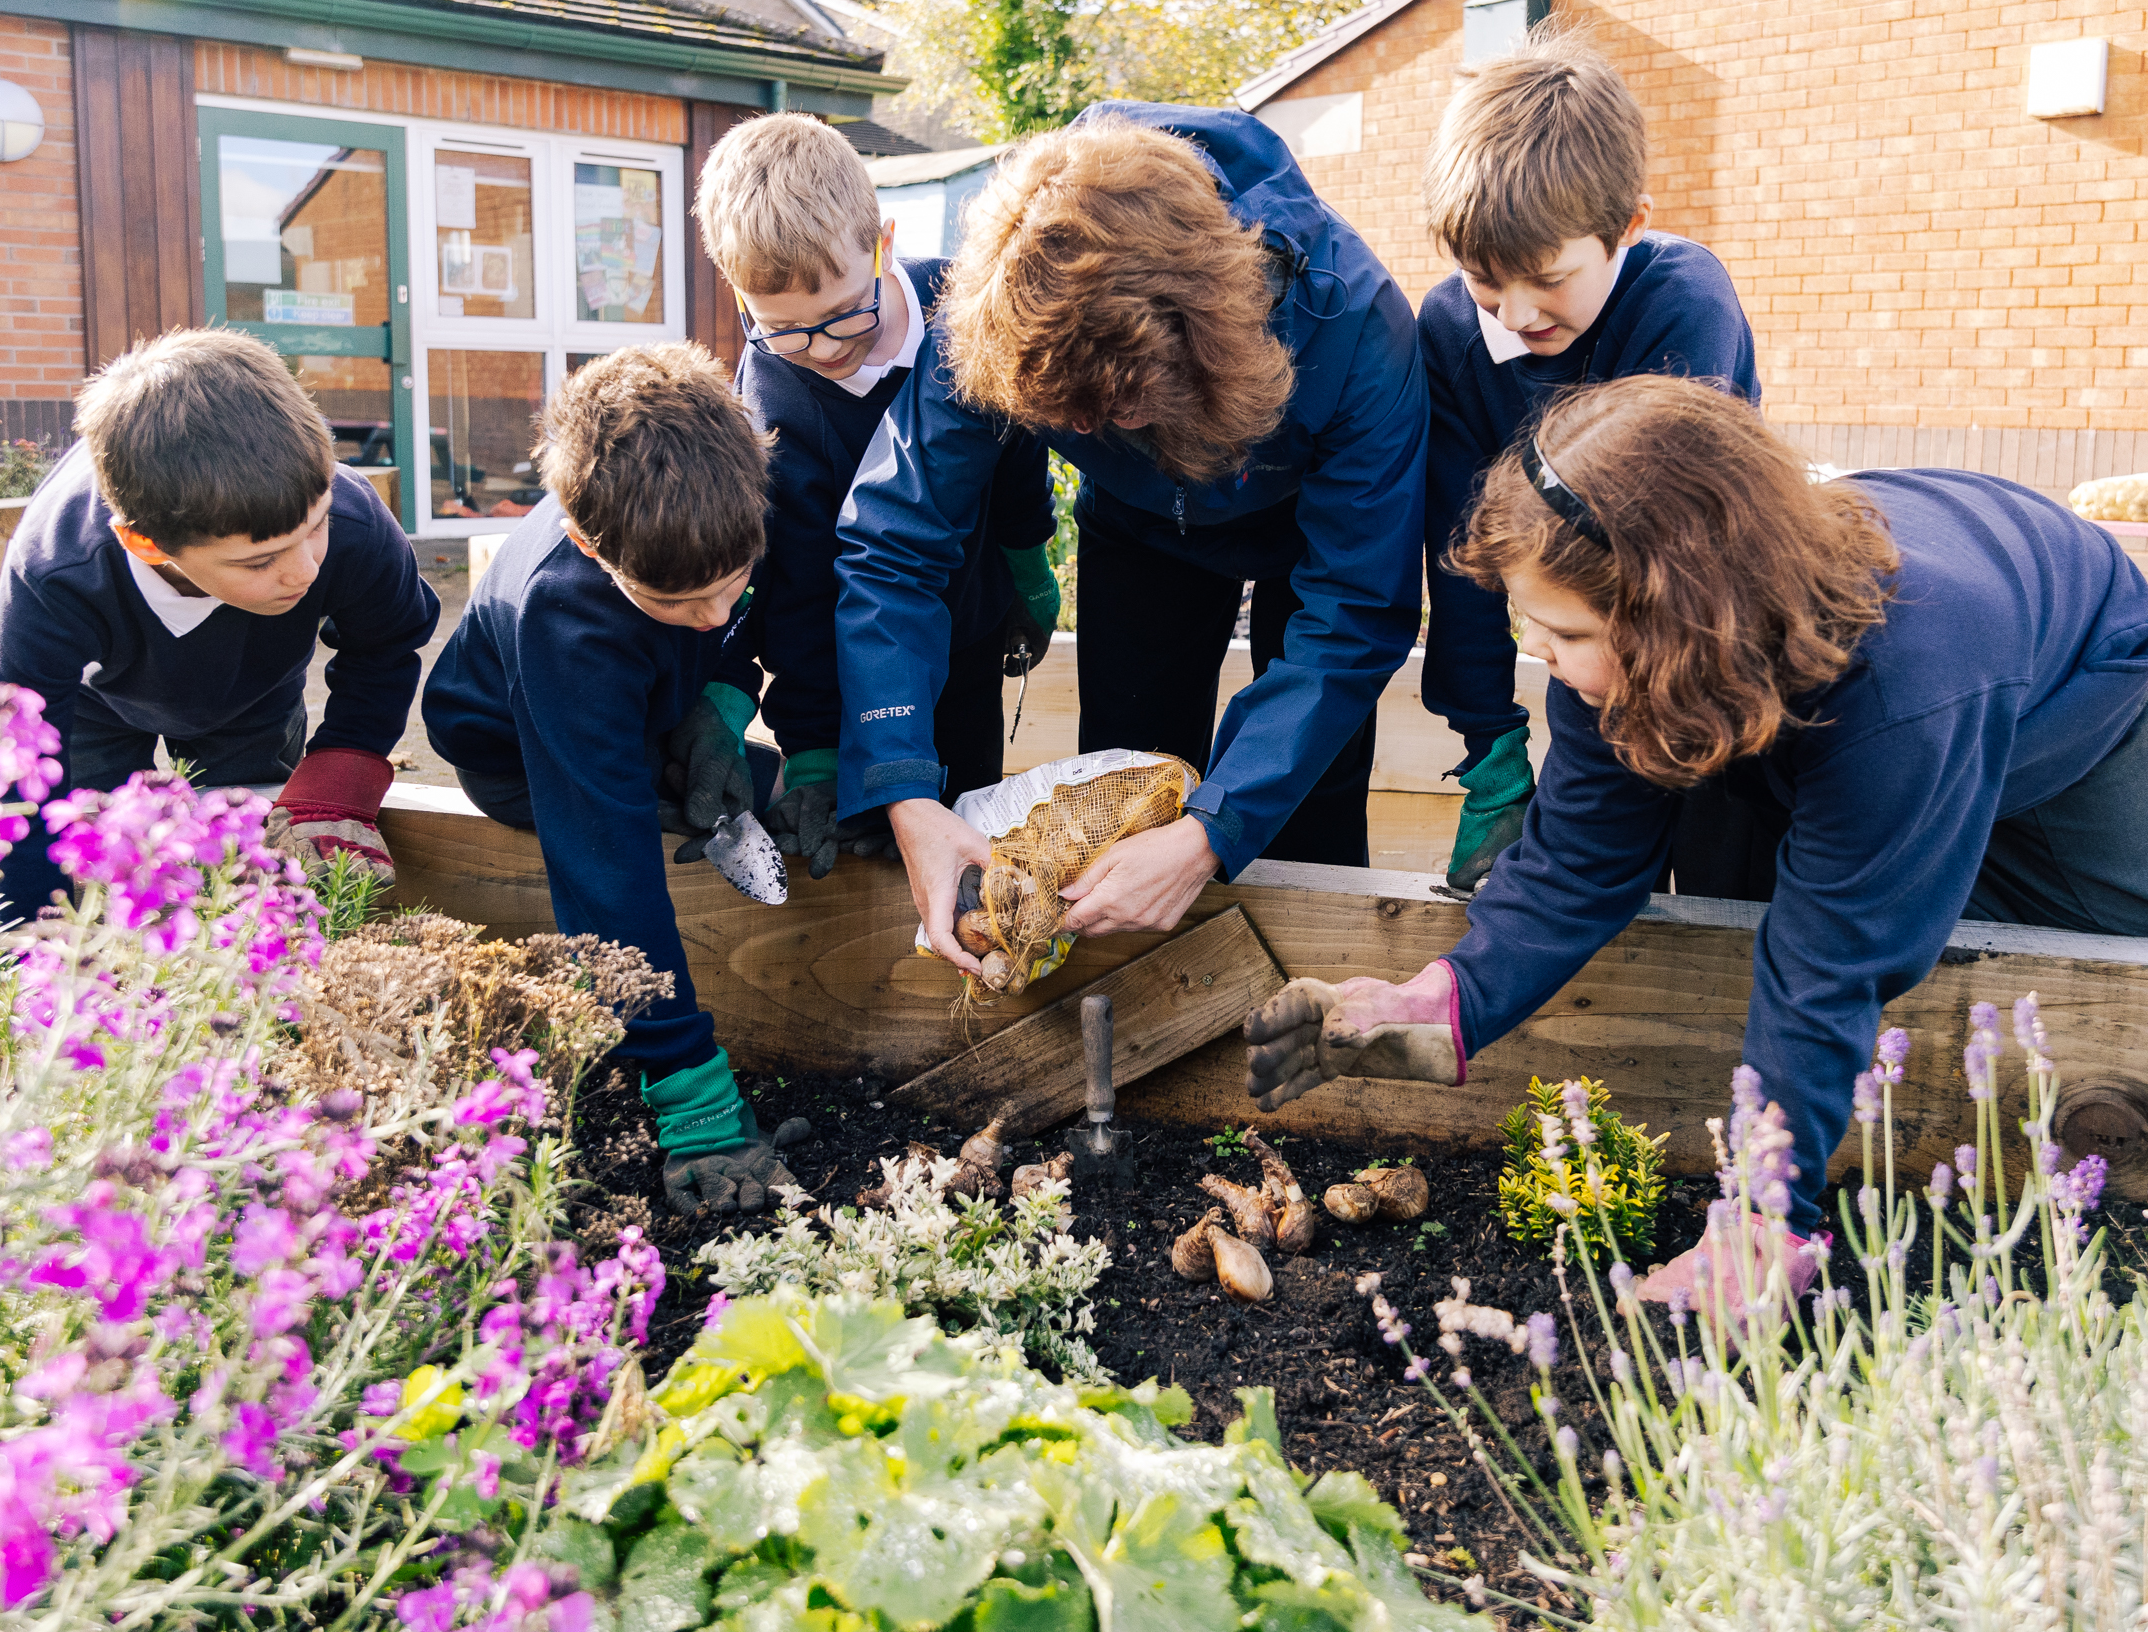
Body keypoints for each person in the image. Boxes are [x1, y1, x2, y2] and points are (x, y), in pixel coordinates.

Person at [1245, 376, 2148, 1249]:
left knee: (2136, 954)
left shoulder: (1909, 689)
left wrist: (1765, 1223)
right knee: (1742, 907)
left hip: (2065, 671)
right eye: (1529, 624)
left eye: (1558, 632)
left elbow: (1829, 964)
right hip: (1773, 657)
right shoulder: (1605, 627)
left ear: (1669, 618)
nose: (1538, 654)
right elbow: (1581, 856)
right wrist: (1451, 994)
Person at [832, 103, 1425, 973]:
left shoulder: (1356, 324)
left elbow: (1355, 611)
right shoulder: (1005, 304)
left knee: (1303, 800)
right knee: (1124, 778)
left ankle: (1313, 1014)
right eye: (1062, 420)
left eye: (1113, 408)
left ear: (1196, 333)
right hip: (1142, 527)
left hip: (1302, 522)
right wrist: (906, 791)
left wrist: (1214, 832)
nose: (1083, 428)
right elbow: (893, 538)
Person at [420, 344, 803, 1212]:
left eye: (729, 585)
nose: (712, 612)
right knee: (631, 835)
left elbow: (744, 618)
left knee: (783, 789)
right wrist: (688, 1090)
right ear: (592, 543)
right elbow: (602, 866)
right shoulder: (562, 614)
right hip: (521, 753)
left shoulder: (724, 502)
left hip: (651, 706)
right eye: (677, 603)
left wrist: (724, 694)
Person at [1415, 32, 1762, 895]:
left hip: (1703, 637)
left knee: (1718, 878)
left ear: (1627, 228)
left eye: (1547, 277)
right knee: (1582, 888)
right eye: (1486, 279)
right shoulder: (1453, 329)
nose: (1519, 311)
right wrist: (1487, 738)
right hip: (1581, 636)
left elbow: (1652, 555)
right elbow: (1463, 549)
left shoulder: (1684, 303)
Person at [696, 113, 1058, 879]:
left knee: (969, 818)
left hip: (967, 630)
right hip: (842, 647)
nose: (824, 351)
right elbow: (793, 583)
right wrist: (820, 750)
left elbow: (1020, 448)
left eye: (843, 314)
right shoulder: (772, 392)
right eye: (788, 331)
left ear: (882, 241)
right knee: (876, 848)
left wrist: (1028, 566)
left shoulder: (966, 303)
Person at [0, 329, 441, 917]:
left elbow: (387, 645)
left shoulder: (353, 520)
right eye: (260, 560)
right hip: (97, 702)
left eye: (314, 529)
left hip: (255, 691)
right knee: (93, 850)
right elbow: (18, 769)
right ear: (146, 544)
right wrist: (23, 929)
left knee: (249, 850)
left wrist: (344, 762)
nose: (304, 572)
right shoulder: (58, 574)